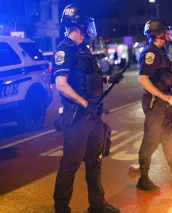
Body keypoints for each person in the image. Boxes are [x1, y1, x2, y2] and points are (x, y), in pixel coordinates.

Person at [53, 4, 124, 213]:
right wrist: (84, 104)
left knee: (95, 160)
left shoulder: (83, 50)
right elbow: (61, 84)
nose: (87, 32)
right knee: (71, 163)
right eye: (85, 27)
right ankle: (61, 208)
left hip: (93, 115)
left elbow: (89, 78)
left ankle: (97, 205)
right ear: (77, 26)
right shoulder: (63, 51)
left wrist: (109, 78)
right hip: (77, 117)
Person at [137, 19, 172, 191]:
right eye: (165, 31)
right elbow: (143, 79)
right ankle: (143, 180)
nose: (169, 34)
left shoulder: (162, 52)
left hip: (164, 103)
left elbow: (165, 76)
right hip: (155, 103)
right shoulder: (150, 53)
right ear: (158, 34)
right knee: (151, 141)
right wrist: (163, 97)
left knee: (169, 139)